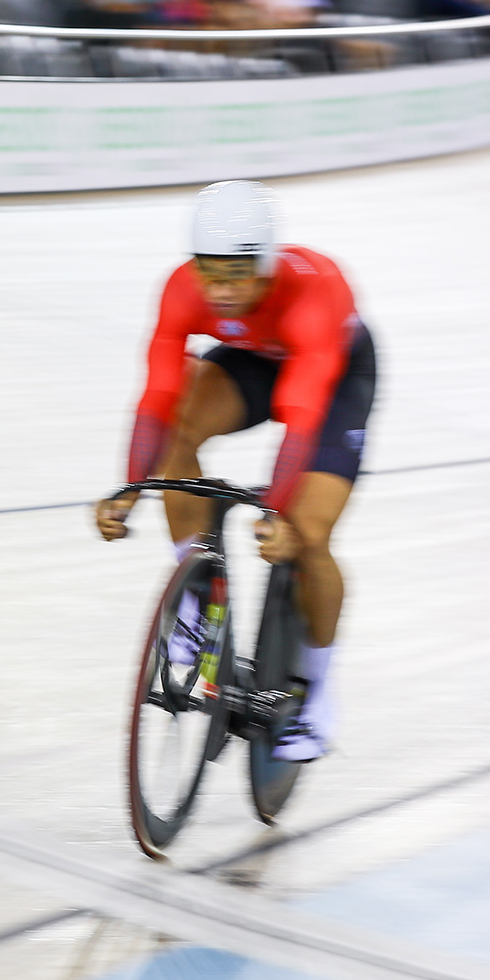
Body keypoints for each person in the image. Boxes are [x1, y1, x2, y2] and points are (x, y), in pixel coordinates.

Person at [95, 181, 378, 763]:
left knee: (309, 532)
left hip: (331, 376)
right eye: (209, 272)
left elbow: (301, 416)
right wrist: (128, 491)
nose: (220, 290)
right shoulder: (182, 290)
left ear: (267, 267)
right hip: (254, 359)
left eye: (237, 274)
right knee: (178, 431)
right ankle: (195, 603)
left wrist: (276, 511)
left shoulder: (313, 293)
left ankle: (318, 690)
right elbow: (156, 395)